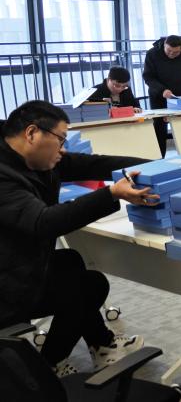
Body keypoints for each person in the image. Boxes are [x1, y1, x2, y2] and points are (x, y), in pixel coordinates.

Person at [0, 101, 158, 377]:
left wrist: (160, 167)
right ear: (32, 133)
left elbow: (96, 164)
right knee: (89, 287)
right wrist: (111, 194)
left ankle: (101, 344)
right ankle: (48, 368)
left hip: (17, 264)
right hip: (6, 289)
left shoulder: (35, 159)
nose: (63, 149)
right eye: (60, 139)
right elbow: (44, 222)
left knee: (69, 261)